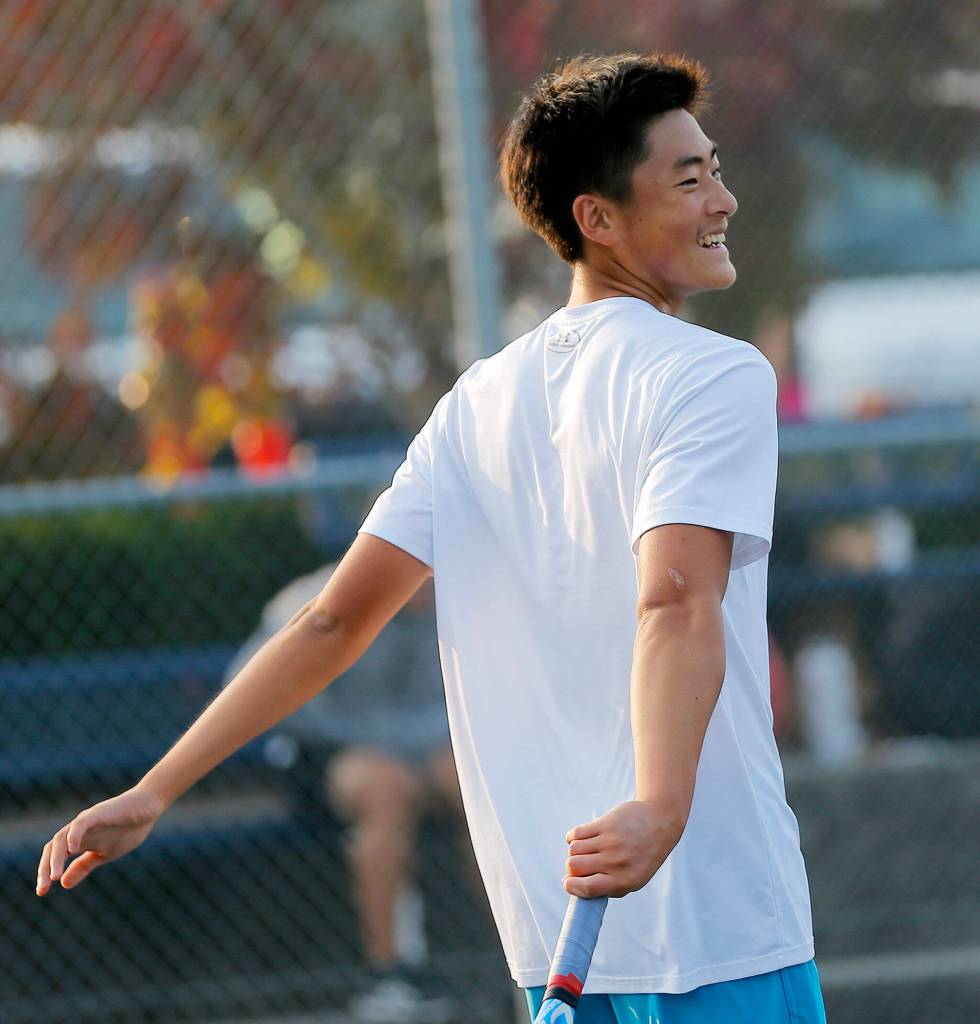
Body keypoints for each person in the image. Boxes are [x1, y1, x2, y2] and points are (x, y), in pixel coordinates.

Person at [37, 53, 826, 1024]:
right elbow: (673, 598)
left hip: (557, 938)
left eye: (716, 170)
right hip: (714, 918)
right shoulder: (715, 375)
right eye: (690, 178)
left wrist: (154, 790)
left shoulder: (473, 403)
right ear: (596, 216)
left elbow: (332, 621)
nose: (723, 200)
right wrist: (661, 808)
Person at [226, 564, 466, 1023]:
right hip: (325, 753)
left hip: (421, 752)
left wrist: (420, 750)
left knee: (468, 780)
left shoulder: (463, 595)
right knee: (386, 786)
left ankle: (528, 957)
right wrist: (385, 746)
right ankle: (389, 974)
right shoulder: (316, 597)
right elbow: (249, 691)